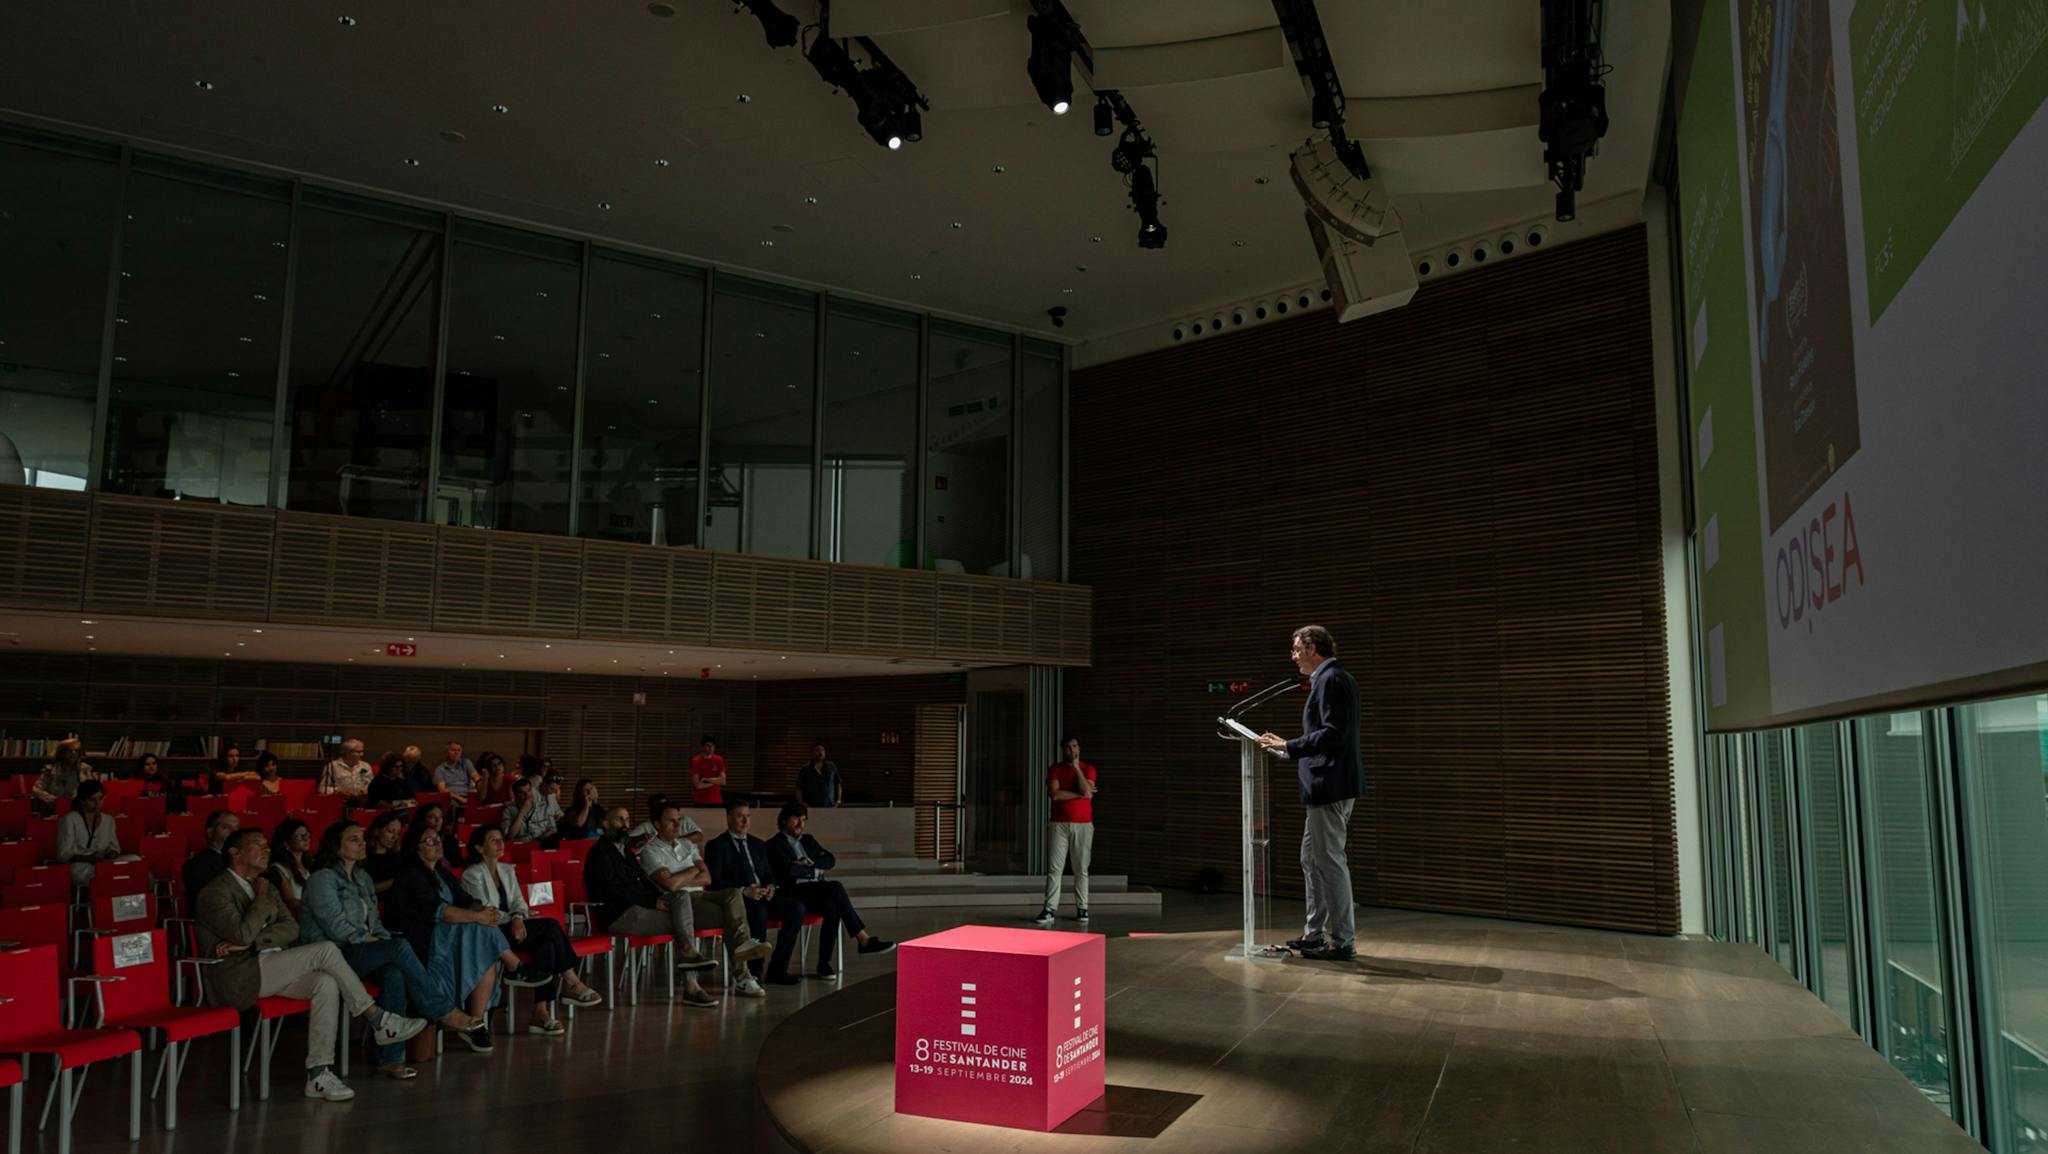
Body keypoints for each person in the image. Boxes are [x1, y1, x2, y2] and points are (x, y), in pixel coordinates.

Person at [192, 827, 429, 1101]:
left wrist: (256, 941)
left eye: (267, 845)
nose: (267, 849)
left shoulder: (265, 886)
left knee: (325, 983)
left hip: (269, 963)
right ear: (234, 852)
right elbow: (241, 934)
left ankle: (318, 1074)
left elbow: (291, 927)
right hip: (238, 976)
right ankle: (377, 1018)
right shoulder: (215, 892)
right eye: (257, 844)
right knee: (326, 950)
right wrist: (257, 910)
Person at [300, 820, 480, 1080]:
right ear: (335, 847)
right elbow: (337, 927)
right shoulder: (322, 879)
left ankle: (391, 1058)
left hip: (362, 951)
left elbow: (375, 923)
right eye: (353, 839)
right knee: (399, 948)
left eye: (362, 838)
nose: (362, 843)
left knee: (394, 973)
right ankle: (444, 1011)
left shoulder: (362, 877)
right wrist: (377, 942)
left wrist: (380, 940)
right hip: (332, 954)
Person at [1257, 624, 1365, 962]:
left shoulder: (1332, 679)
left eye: (1295, 649)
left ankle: (1342, 941)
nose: (1293, 657)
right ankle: (1314, 934)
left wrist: (1290, 745)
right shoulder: (1326, 680)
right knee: (1311, 859)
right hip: (1322, 786)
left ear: (1312, 647)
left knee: (1330, 861)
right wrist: (1288, 748)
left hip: (1329, 786)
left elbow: (1333, 734)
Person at [383, 822, 541, 1053]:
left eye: (438, 839)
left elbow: (467, 901)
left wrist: (484, 910)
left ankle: (476, 1024)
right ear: (415, 849)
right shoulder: (411, 876)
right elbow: (439, 912)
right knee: (480, 929)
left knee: (485, 945)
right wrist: (478, 918)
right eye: (429, 841)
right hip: (423, 942)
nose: (437, 843)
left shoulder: (441, 873)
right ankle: (514, 965)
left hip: (449, 937)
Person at [582, 805, 758, 1007]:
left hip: (641, 908)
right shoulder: (599, 854)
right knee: (682, 920)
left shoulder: (626, 853)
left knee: (680, 897)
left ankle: (691, 965)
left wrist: (659, 898)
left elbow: (645, 884)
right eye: (619, 820)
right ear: (605, 824)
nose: (625, 825)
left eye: (627, 820)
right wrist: (653, 901)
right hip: (619, 914)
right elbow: (615, 890)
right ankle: (691, 981)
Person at [462, 826, 604, 1034]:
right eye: (494, 841)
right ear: (479, 848)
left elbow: (520, 902)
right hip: (491, 934)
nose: (501, 844)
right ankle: (571, 981)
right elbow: (487, 911)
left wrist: (518, 917)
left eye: (501, 839)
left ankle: (540, 1012)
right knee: (551, 926)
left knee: (546, 945)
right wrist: (516, 919)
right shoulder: (471, 875)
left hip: (512, 928)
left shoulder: (507, 870)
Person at [638, 802, 775, 998]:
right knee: (728, 917)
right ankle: (744, 978)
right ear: (657, 824)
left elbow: (707, 878)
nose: (678, 826)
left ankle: (744, 945)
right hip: (681, 901)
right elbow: (671, 886)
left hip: (702, 893)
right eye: (671, 821)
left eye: (679, 821)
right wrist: (693, 870)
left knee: (733, 894)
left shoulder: (687, 844)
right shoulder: (650, 851)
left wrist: (683, 875)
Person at [767, 802, 893, 976]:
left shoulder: (808, 840)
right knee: (836, 887)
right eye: (796, 819)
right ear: (784, 821)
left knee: (832, 906)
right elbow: (788, 870)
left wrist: (809, 864)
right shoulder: (774, 844)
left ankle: (823, 965)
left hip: (816, 891)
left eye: (804, 820)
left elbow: (830, 860)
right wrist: (812, 870)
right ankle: (862, 938)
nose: (801, 825)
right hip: (794, 892)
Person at [706, 798, 805, 985]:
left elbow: (769, 874)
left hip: (762, 895)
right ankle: (754, 973)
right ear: (729, 819)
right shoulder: (717, 845)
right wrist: (744, 891)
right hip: (738, 899)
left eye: (748, 816)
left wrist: (770, 887)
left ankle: (778, 969)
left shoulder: (758, 844)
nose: (745, 821)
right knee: (759, 913)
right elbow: (714, 883)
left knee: (796, 908)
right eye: (740, 817)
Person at [1034, 736, 1097, 926]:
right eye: (1069, 747)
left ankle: (1082, 908)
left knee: (1081, 869)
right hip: (1058, 825)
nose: (1073, 750)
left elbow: (1087, 791)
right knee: (1055, 869)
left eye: (1075, 746)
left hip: (1083, 825)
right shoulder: (1055, 769)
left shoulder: (1088, 769)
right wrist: (1081, 794)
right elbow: (1055, 794)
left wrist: (1077, 768)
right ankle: (1049, 909)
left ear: (1079, 748)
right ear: (1063, 750)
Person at [57, 779, 122, 887]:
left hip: (103, 863)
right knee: (113, 876)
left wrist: (111, 853)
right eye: (92, 800)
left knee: (135, 861)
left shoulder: (109, 819)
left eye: (101, 799)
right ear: (82, 801)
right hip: (80, 867)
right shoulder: (69, 819)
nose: (98, 803)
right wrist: (89, 858)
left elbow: (115, 847)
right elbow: (63, 854)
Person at [182, 809, 240, 905]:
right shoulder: (196, 864)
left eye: (237, 828)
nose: (234, 833)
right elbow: (210, 901)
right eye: (226, 828)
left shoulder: (243, 859)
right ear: (210, 832)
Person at [31, 738, 94, 814]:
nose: (73, 753)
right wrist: (55, 801)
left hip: (77, 811)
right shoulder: (49, 771)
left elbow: (92, 792)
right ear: (62, 753)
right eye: (69, 751)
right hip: (52, 810)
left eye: (76, 751)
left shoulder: (84, 770)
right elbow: (37, 790)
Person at [267, 817, 313, 918]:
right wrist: (317, 909)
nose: (306, 839)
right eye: (299, 837)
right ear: (286, 843)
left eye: (307, 835)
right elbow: (291, 901)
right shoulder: (279, 869)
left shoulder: (310, 865)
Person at [501, 775, 561, 845]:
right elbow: (509, 836)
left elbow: (553, 828)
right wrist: (522, 811)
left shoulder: (543, 807)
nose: (527, 795)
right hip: (520, 846)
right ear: (516, 795)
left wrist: (539, 840)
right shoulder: (508, 811)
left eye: (529, 790)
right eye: (522, 793)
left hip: (539, 845)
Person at [362, 810, 409, 893]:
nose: (394, 837)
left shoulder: (396, 856)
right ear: (377, 831)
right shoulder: (364, 856)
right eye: (390, 831)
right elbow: (367, 889)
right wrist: (396, 881)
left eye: (397, 833)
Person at [407, 802, 465, 867]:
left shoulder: (449, 839)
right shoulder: (413, 839)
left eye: (440, 816)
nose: (438, 821)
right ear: (422, 820)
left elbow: (458, 865)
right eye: (432, 817)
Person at [794, 744, 841, 808]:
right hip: (811, 806)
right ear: (812, 753)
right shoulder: (805, 769)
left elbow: (838, 784)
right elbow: (798, 787)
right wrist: (801, 803)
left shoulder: (831, 766)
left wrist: (838, 801)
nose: (820, 752)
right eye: (818, 750)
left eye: (822, 750)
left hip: (829, 806)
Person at [690, 736, 727, 806]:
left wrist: (706, 779)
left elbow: (723, 781)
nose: (711, 748)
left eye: (713, 746)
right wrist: (716, 781)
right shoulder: (696, 761)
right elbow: (697, 785)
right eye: (708, 746)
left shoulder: (719, 759)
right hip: (700, 800)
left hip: (716, 800)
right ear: (702, 746)